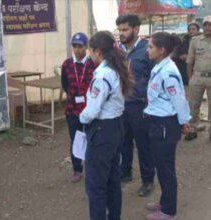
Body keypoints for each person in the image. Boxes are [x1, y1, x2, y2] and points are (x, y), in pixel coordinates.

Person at [80, 31, 134, 220]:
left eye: (90, 50)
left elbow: (92, 111)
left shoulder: (102, 75)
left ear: (97, 51)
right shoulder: (116, 69)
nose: (88, 54)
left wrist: (82, 117)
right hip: (116, 127)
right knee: (112, 180)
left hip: (102, 130)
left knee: (96, 185)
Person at [144, 32, 191, 220]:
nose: (148, 50)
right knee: (161, 166)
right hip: (157, 122)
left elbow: (179, 100)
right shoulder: (159, 68)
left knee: (166, 169)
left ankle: (168, 211)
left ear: (161, 50)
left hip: (165, 125)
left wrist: (184, 122)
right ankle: (164, 202)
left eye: (150, 47)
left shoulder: (168, 72)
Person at [116, 14, 155, 196]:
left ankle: (148, 180)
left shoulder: (147, 50)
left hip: (140, 105)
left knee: (143, 143)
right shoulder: (118, 51)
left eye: (125, 29)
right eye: (120, 30)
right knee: (124, 141)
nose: (121, 33)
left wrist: (145, 93)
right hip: (121, 104)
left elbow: (155, 77)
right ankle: (125, 173)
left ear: (136, 29)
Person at [61, 32, 95, 183]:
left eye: (80, 46)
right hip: (73, 110)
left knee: (91, 138)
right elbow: (65, 85)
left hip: (90, 110)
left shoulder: (93, 64)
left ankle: (92, 168)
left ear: (86, 47)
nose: (77, 50)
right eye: (74, 46)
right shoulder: (67, 64)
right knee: (75, 139)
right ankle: (76, 169)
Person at [185, 15, 211, 141]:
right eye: (206, 24)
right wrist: (190, 79)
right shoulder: (195, 41)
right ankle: (192, 130)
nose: (208, 27)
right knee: (193, 106)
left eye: (210, 25)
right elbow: (189, 61)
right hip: (197, 77)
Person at [172, 22, 200, 98]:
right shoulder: (183, 43)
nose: (191, 31)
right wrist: (180, 57)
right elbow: (174, 56)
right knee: (186, 98)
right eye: (190, 29)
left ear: (198, 30)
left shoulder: (202, 42)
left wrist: (189, 57)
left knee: (196, 98)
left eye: (193, 29)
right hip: (184, 74)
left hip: (199, 75)